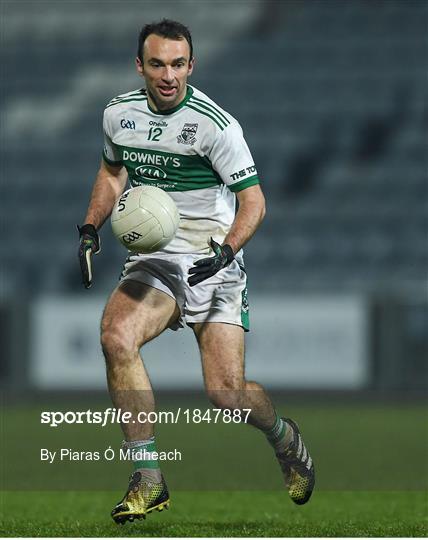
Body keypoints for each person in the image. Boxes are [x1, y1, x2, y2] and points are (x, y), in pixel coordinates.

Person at [78, 19, 314, 524]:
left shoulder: (216, 125)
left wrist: (226, 252)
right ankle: (148, 477)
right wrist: (91, 225)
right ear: (139, 66)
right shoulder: (119, 114)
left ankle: (283, 438)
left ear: (192, 65)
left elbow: (254, 202)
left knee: (226, 394)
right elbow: (113, 170)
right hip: (156, 257)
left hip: (214, 259)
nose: (169, 75)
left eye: (179, 64)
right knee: (116, 336)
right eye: (158, 64)